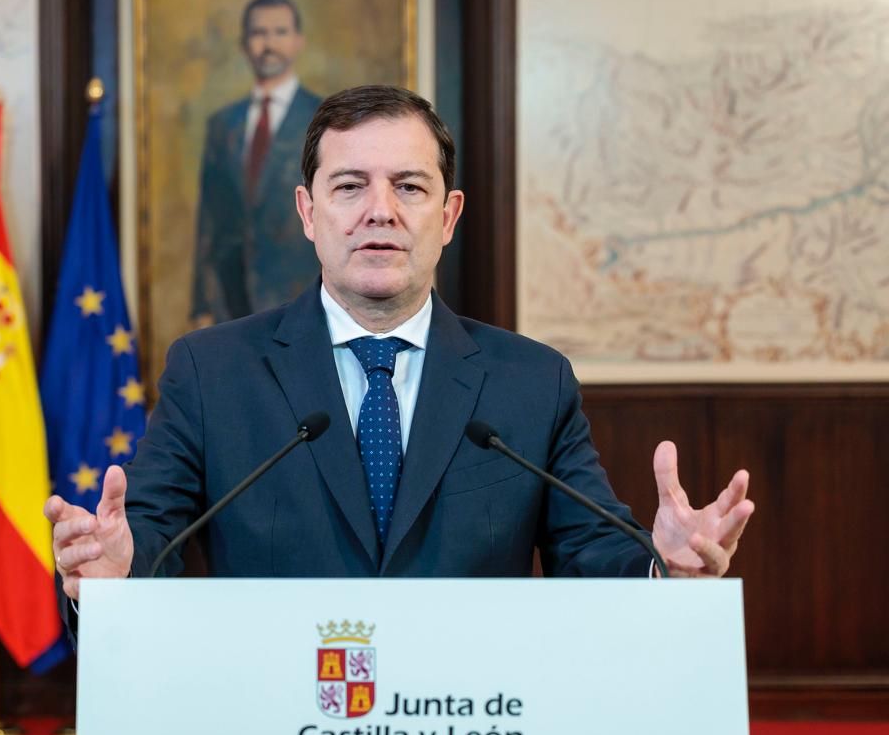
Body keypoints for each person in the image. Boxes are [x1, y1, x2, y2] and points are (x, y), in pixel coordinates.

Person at [47, 85, 754, 600]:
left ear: (448, 216)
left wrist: (663, 567)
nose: (379, 211)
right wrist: (113, 573)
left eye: (409, 187)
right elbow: (148, 541)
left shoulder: (530, 383)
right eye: (350, 185)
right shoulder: (211, 372)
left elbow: (593, 555)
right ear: (307, 211)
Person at [190, 0, 323, 326]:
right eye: (258, 33)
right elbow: (209, 220)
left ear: (297, 42)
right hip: (229, 300)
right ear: (244, 44)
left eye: (279, 32)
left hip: (304, 296)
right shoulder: (223, 124)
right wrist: (202, 304)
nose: (269, 43)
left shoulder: (325, 118)